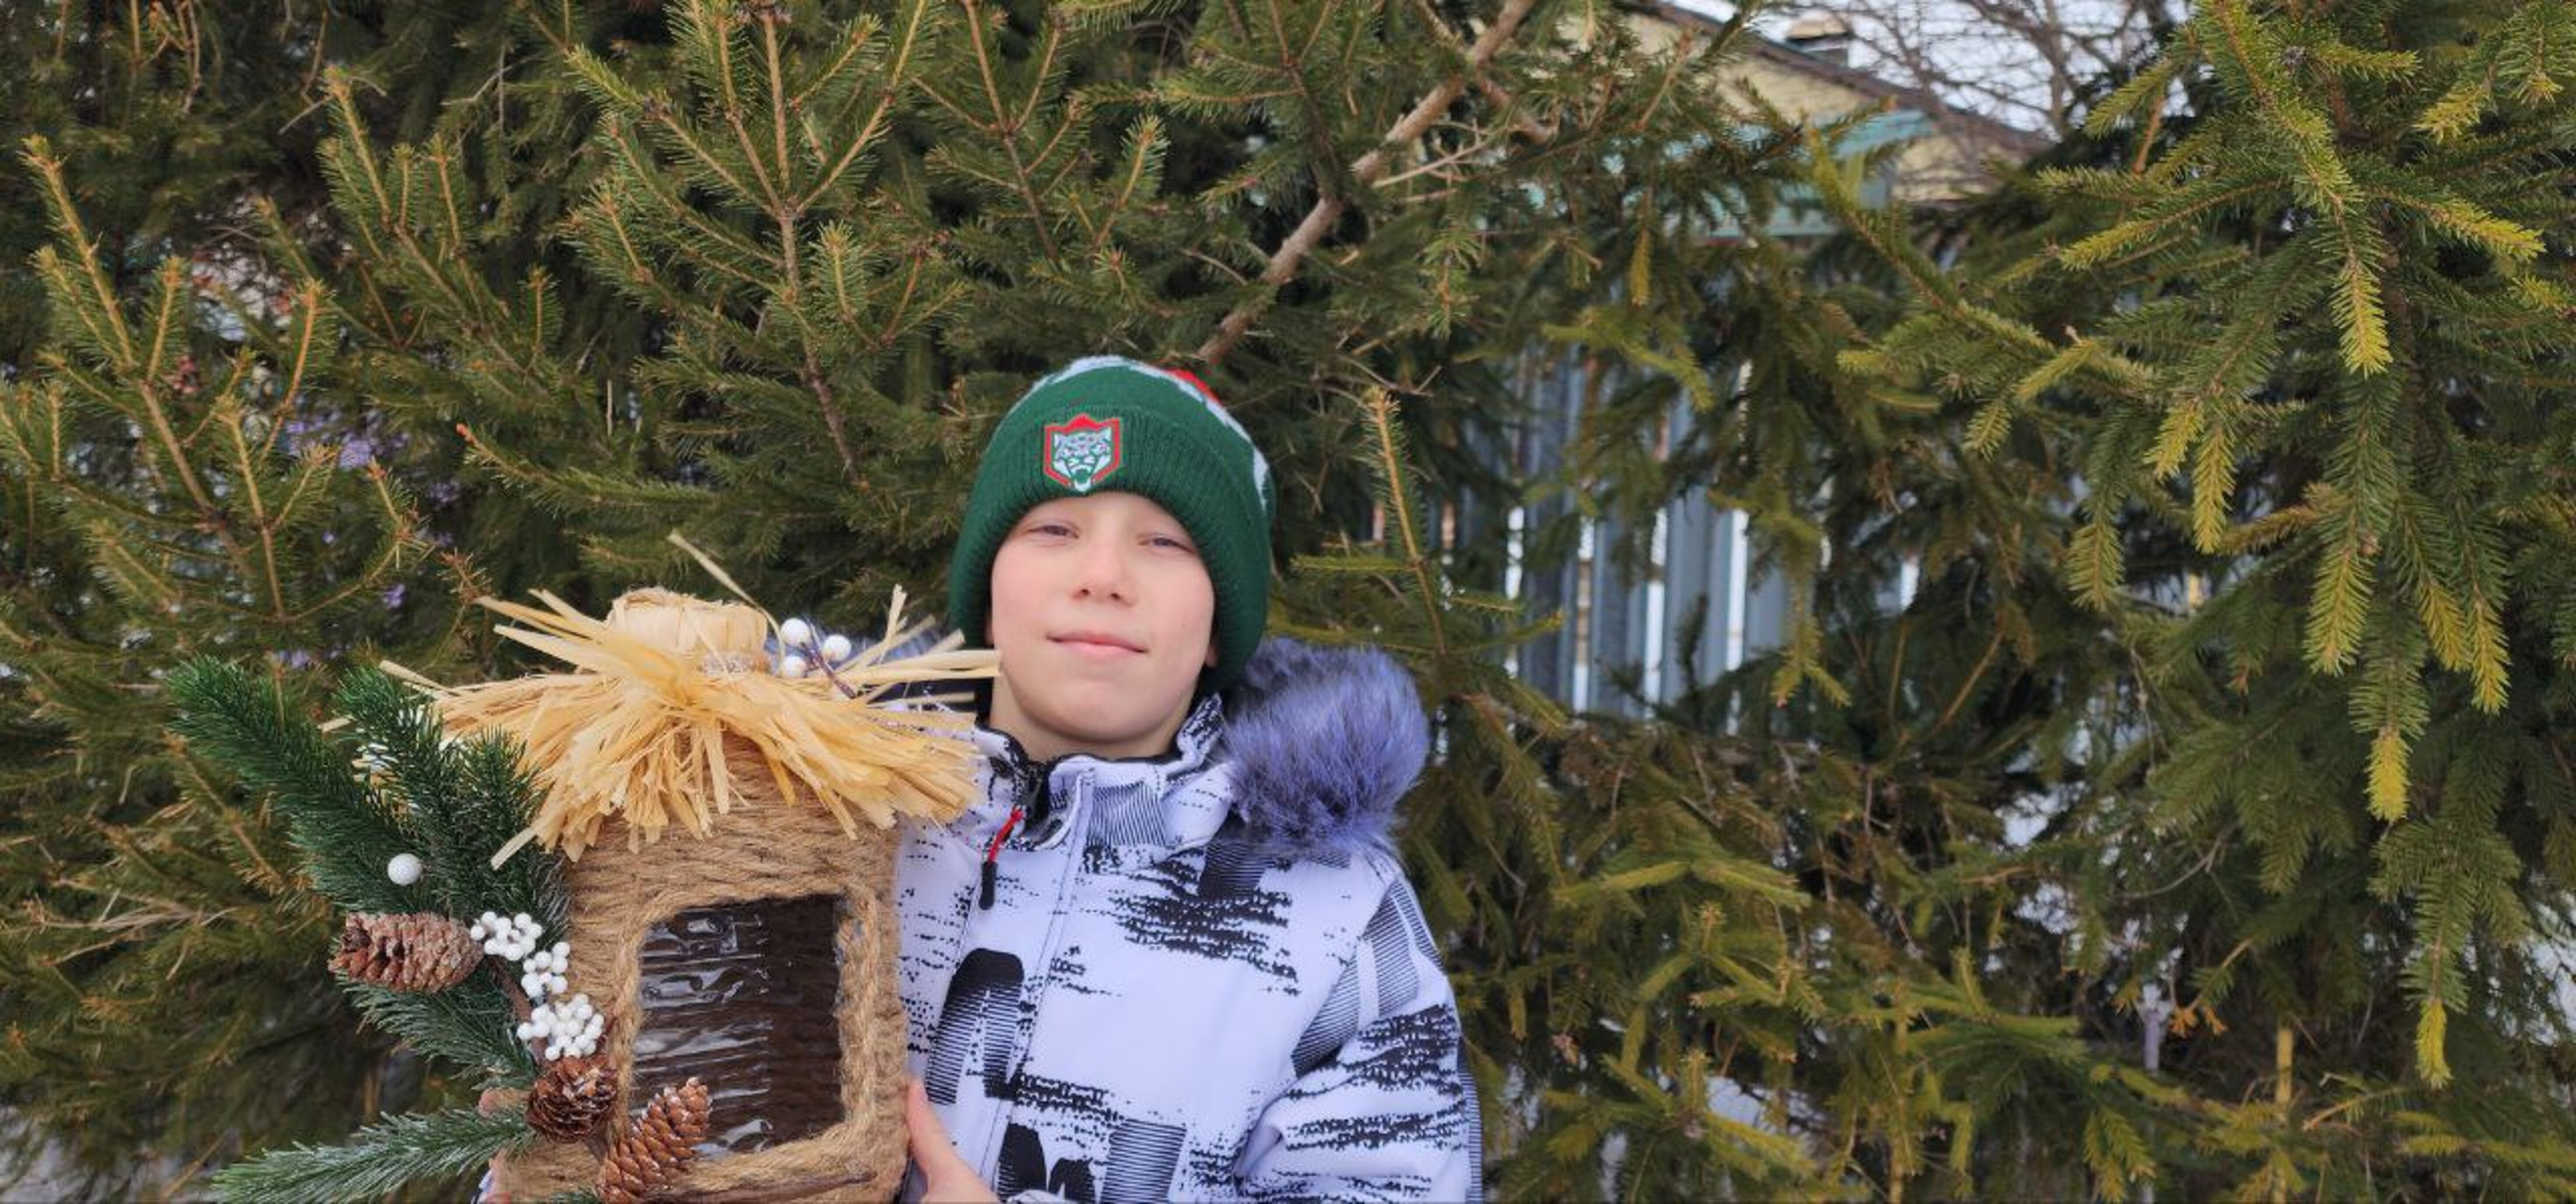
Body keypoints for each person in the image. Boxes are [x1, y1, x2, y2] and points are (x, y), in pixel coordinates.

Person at [890, 355, 1481, 1202]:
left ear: (1216, 627)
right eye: (1054, 530)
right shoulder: (825, 814)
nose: (1102, 577)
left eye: (1164, 542)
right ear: (987, 591)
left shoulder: (1339, 922)